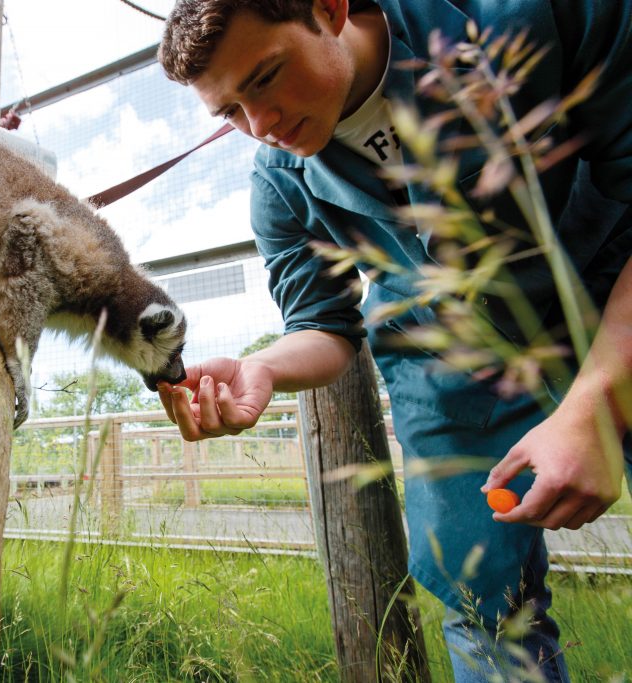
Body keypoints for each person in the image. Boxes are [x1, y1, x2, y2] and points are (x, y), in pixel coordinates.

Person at [155, 0, 632, 680]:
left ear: (330, 7)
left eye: (264, 77)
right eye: (229, 112)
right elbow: (323, 326)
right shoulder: (281, 184)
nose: (258, 126)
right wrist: (263, 367)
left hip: (607, 285)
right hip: (444, 363)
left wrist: (597, 403)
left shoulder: (514, 16)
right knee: (480, 593)